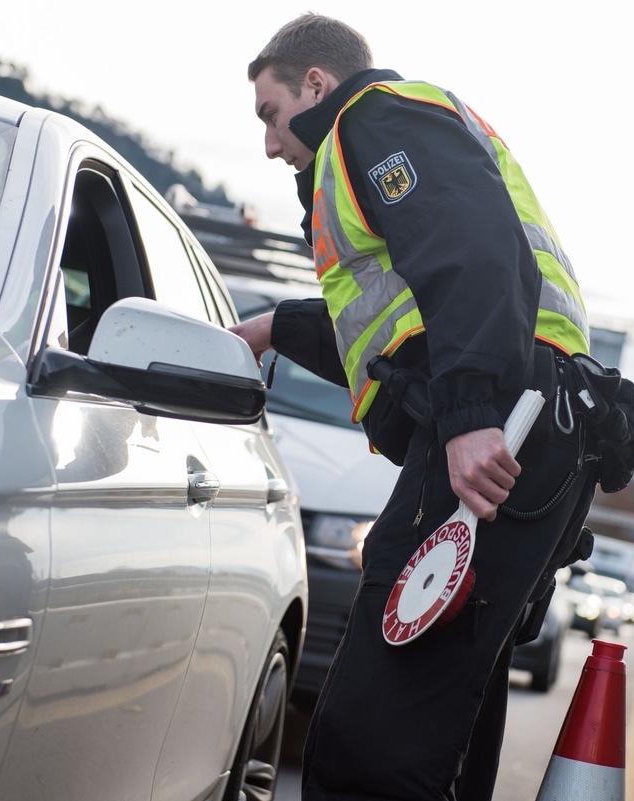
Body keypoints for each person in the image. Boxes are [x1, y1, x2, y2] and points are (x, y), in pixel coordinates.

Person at [233, 14, 599, 800]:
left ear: (317, 86)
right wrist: (271, 327)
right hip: (535, 409)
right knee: (444, 718)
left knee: (379, 727)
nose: (269, 143)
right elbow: (391, 340)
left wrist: (468, 416)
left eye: (271, 113)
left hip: (501, 415)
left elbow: (472, 253)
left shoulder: (374, 119)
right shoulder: (366, 154)